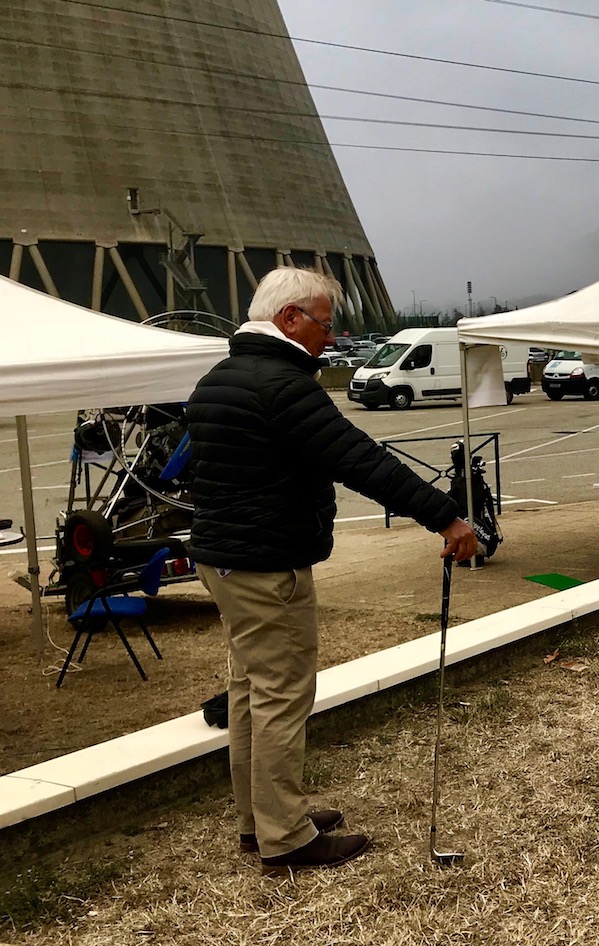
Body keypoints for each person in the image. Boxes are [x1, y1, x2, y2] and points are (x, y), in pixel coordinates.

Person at [186, 268, 478, 872]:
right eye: (323, 323)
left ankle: (260, 821)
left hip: (223, 560)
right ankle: (287, 837)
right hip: (268, 567)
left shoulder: (219, 378)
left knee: (249, 690)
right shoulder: (283, 386)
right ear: (289, 319)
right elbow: (359, 460)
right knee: (280, 695)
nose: (330, 335)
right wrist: (445, 516)